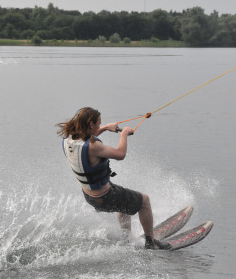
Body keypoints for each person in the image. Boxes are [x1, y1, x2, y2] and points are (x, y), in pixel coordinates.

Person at [57, 107, 171, 250]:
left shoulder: (68, 139)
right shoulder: (94, 146)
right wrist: (123, 134)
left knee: (122, 200)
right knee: (145, 201)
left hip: (89, 196)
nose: (99, 126)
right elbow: (120, 154)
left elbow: (87, 138)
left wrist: (104, 128)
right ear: (91, 124)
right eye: (98, 124)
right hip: (105, 197)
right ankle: (151, 243)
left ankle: (128, 239)